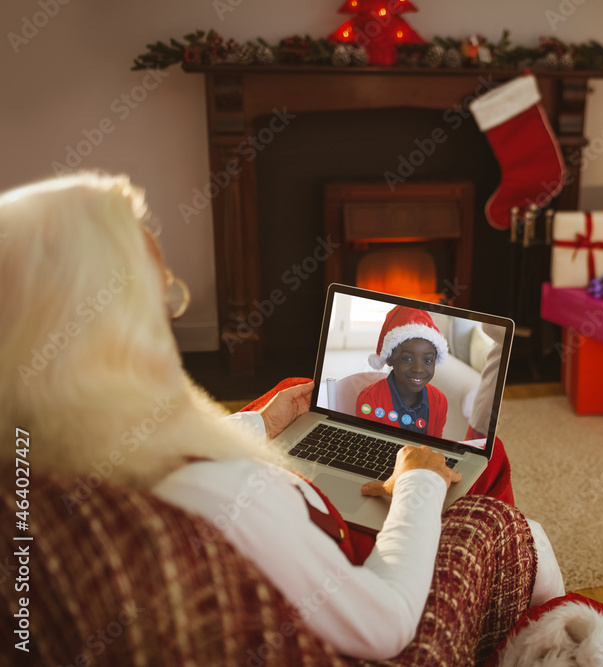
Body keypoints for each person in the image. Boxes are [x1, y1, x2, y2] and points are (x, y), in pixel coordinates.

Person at [0, 172, 563, 661]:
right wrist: (416, 479)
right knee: (516, 528)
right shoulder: (218, 497)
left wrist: (257, 425)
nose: (171, 313)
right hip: (375, 617)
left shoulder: (30, 464)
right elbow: (385, 624)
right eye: (160, 299)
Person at [355, 305, 449, 438]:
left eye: (427, 360)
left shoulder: (439, 400)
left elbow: (435, 446)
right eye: (408, 358)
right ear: (390, 359)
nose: (418, 369)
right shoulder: (370, 401)